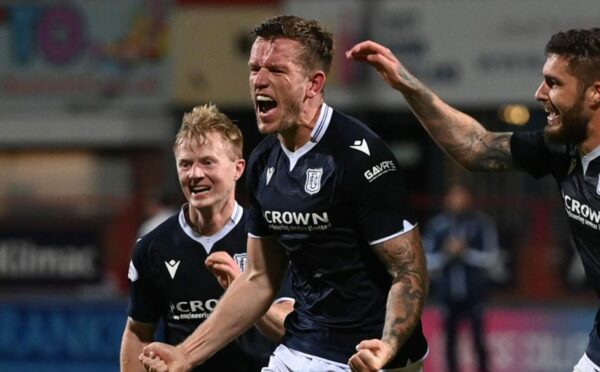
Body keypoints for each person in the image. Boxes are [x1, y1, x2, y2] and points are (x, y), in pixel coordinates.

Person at [140, 15, 429, 372]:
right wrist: (185, 353)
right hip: (301, 345)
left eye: (276, 70)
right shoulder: (264, 161)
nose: (259, 80)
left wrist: (386, 348)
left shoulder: (359, 157)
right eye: (254, 68)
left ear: (313, 84)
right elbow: (260, 278)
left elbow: (409, 273)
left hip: (367, 357)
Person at [347, 27, 600, 372]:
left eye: (554, 83)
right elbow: (476, 147)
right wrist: (407, 85)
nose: (539, 94)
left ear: (596, 93)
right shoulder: (563, 146)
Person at [119, 103, 295, 372]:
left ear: (238, 169)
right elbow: (138, 332)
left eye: (207, 162)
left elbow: (288, 327)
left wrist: (244, 288)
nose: (195, 174)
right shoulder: (152, 247)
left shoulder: (271, 237)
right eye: (185, 164)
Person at [423, 184, 499, 372]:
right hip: (447, 293)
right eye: (454, 196)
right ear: (447, 200)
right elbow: (427, 261)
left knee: (478, 339)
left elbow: (491, 258)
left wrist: (465, 252)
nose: (458, 201)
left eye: (462, 196)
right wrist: (447, 253)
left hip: (475, 293)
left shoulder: (481, 224)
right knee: (449, 341)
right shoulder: (437, 226)